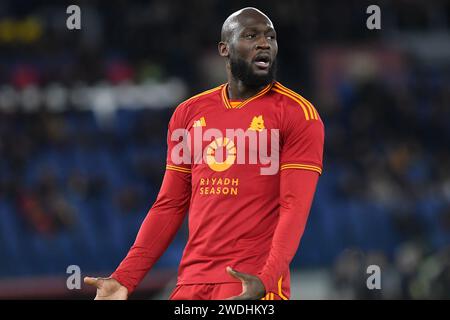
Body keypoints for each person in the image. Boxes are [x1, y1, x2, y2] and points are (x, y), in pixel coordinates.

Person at [84, 7, 324, 300]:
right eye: (251, 36)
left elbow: (293, 208)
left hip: (251, 282)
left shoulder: (298, 115)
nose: (264, 44)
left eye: (270, 37)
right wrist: (124, 278)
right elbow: (169, 205)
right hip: (191, 284)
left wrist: (266, 279)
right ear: (224, 48)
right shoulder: (189, 113)